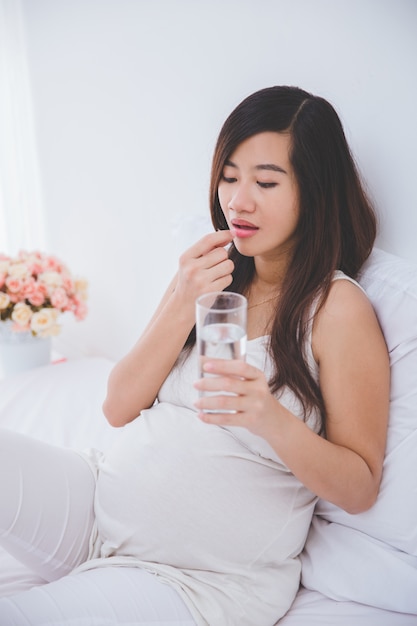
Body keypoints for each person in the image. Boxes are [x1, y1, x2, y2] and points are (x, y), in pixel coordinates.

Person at [0, 86, 390, 626]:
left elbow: (361, 485)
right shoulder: (210, 270)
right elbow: (117, 406)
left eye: (266, 181)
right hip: (96, 510)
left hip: (195, 582)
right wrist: (183, 299)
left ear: (315, 191)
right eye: (229, 176)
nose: (238, 200)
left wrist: (268, 417)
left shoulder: (337, 308)